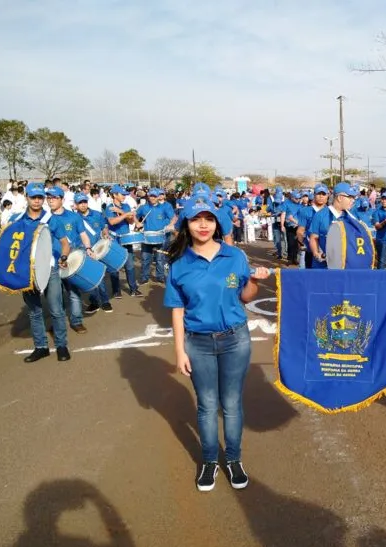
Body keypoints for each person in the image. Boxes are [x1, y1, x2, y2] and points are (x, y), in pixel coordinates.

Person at [164, 198, 270, 492]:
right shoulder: (179, 264)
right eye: (196, 219)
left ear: (217, 223)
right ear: (186, 223)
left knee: (232, 403)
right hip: (198, 343)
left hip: (235, 339)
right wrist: (179, 350)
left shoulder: (235, 256)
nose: (202, 225)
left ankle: (233, 459)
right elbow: (177, 310)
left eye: (208, 219)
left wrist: (256, 280)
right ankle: (210, 460)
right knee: (207, 405)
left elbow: (246, 296)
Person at [8, 185, 73, 363]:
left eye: (40, 197)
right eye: (33, 197)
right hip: (26, 272)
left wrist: (64, 256)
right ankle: (41, 347)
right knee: (34, 311)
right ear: (26, 197)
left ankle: (61, 345)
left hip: (49, 269)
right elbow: (8, 245)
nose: (36, 201)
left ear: (43, 199)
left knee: (56, 310)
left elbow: (65, 243)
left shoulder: (51, 219)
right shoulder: (16, 219)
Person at [46, 186, 96, 334]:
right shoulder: (44, 217)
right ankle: (57, 323)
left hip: (70, 259)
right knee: (55, 296)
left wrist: (88, 248)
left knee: (74, 293)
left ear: (62, 199)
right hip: (50, 262)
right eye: (48, 198)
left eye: (54, 197)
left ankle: (76, 321)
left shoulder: (74, 217)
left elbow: (83, 234)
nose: (51, 200)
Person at [74, 193, 114, 314]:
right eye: (80, 203)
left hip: (97, 249)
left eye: (84, 202)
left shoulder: (97, 214)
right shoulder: (73, 218)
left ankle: (105, 301)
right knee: (89, 278)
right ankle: (94, 302)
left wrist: (106, 234)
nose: (83, 205)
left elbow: (104, 227)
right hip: (82, 250)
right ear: (76, 205)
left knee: (100, 277)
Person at [308, 182, 358, 268]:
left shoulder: (352, 217)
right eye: (350, 197)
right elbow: (313, 238)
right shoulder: (320, 215)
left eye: (354, 198)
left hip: (345, 267)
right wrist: (316, 254)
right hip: (323, 267)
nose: (353, 201)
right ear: (340, 197)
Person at [105, 185, 142, 297]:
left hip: (125, 238)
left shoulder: (125, 206)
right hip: (114, 238)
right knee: (114, 266)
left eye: (125, 194)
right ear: (115, 195)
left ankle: (133, 288)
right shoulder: (109, 208)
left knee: (129, 264)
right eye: (122, 194)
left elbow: (131, 221)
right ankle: (116, 291)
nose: (124, 196)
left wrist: (122, 212)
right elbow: (112, 222)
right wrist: (125, 214)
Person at [137, 189, 176, 285]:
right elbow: (134, 215)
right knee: (145, 258)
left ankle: (160, 276)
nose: (153, 198)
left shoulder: (164, 207)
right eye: (151, 196)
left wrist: (170, 225)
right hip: (147, 237)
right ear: (148, 196)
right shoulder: (143, 207)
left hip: (160, 236)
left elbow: (174, 218)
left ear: (158, 197)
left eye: (155, 196)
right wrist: (137, 223)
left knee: (160, 258)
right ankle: (144, 277)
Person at [297, 184, 329, 269]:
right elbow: (300, 230)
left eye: (323, 194)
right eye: (319, 194)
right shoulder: (306, 211)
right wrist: (301, 244)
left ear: (327, 196)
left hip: (327, 251)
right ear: (314, 195)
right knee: (310, 276)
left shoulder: (331, 212)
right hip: (310, 250)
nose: (321, 196)